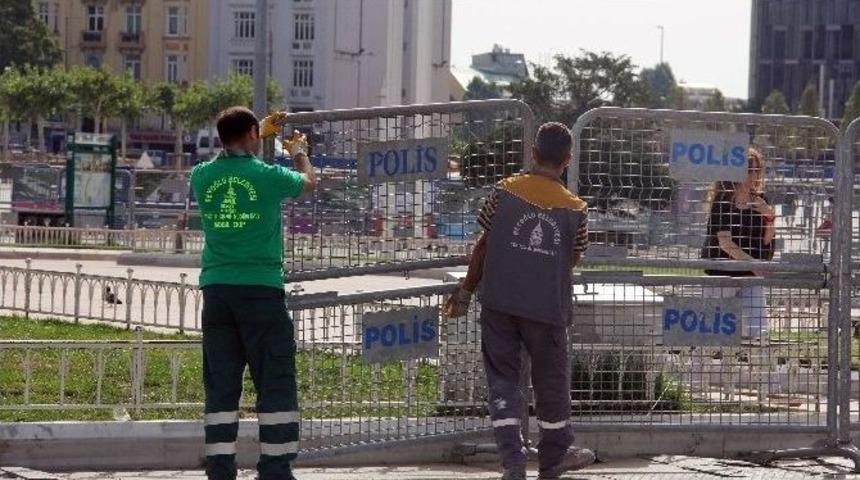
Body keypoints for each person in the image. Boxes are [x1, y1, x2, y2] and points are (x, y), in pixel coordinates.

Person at [443, 123, 595, 480]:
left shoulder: (504, 191)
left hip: (500, 302)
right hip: (548, 310)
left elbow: (483, 245)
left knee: (503, 383)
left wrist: (466, 290)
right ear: (567, 160)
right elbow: (571, 260)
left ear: (533, 153)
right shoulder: (577, 209)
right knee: (551, 388)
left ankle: (512, 462)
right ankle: (552, 463)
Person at [190, 106, 316, 480]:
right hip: (261, 292)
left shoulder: (201, 176)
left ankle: (220, 469)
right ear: (250, 133)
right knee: (274, 380)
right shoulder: (267, 176)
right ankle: (275, 469)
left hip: (217, 294)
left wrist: (254, 134)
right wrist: (298, 152)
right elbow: (309, 182)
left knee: (221, 385)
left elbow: (231, 162)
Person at [701, 147, 775, 338]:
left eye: (757, 170)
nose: (754, 176)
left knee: (758, 332)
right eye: (749, 170)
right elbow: (725, 243)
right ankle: (702, 364)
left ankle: (755, 365)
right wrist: (752, 263)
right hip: (722, 273)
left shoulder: (760, 200)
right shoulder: (722, 201)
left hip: (750, 275)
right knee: (713, 333)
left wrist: (769, 217)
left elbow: (767, 243)